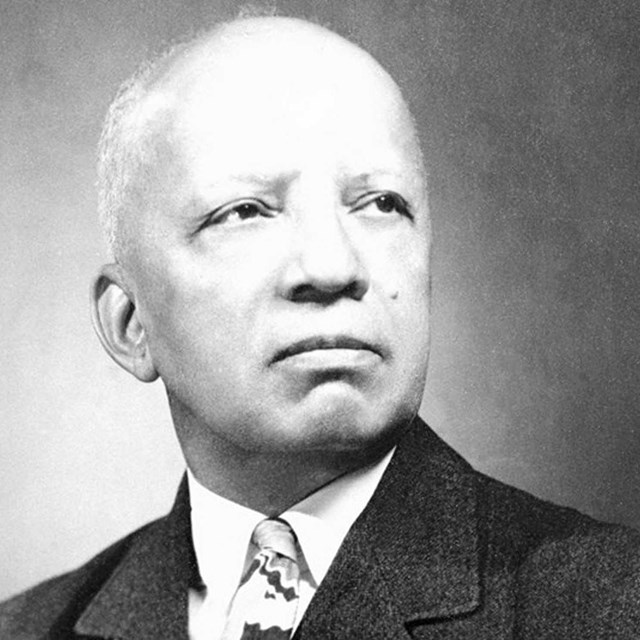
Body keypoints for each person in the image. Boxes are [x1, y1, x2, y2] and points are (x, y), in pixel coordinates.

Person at [2, 14, 640, 640]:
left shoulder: (611, 603)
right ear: (130, 322)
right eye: (246, 211)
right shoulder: (27, 627)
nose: (333, 266)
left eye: (382, 204)